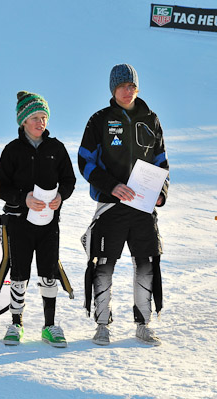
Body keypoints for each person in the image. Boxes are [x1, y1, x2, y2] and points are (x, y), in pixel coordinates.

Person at [78, 64, 169, 346]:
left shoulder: (150, 119)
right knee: (103, 264)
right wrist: (111, 186)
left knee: (147, 262)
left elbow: (161, 162)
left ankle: (144, 323)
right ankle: (102, 324)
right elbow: (84, 161)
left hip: (143, 208)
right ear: (113, 89)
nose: (127, 91)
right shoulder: (99, 120)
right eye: (121, 86)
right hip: (111, 206)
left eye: (131, 86)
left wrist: (161, 193)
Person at [0, 91, 75, 347]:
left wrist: (61, 196)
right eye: (35, 118)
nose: (40, 122)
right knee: (19, 273)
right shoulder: (12, 150)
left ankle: (49, 326)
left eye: (44, 117)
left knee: (48, 272)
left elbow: (70, 181)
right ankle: (16, 325)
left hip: (49, 223)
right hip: (19, 223)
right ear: (23, 121)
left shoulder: (56, 148)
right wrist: (22, 198)